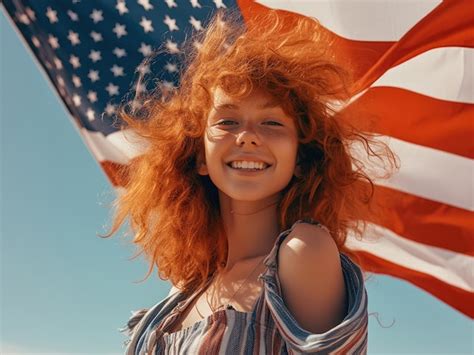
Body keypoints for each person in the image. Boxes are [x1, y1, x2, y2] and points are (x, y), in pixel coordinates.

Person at [108, 10, 397, 354]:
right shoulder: (183, 292)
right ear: (200, 156)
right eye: (228, 121)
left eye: (272, 123)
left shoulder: (305, 250)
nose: (247, 137)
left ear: (301, 160)